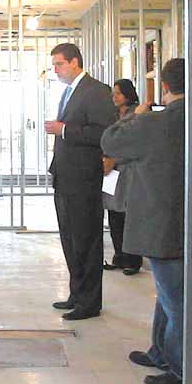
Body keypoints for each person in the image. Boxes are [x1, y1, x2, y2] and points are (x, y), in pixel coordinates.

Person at [101, 58, 186, 384]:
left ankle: (179, 369)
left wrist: (136, 115)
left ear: (164, 86)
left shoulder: (153, 123)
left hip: (159, 221)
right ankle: (160, 352)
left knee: (174, 299)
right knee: (168, 292)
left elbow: (109, 141)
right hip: (190, 219)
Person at [45, 43, 117, 321]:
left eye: (59, 64)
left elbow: (104, 133)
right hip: (65, 177)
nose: (55, 69)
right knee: (71, 239)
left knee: (86, 240)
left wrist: (64, 130)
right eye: (53, 65)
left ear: (75, 62)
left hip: (84, 178)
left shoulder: (96, 91)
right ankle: (76, 293)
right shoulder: (69, 91)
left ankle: (90, 302)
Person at [102, 79, 143, 276]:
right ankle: (118, 255)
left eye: (118, 93)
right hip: (112, 172)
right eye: (113, 94)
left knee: (129, 215)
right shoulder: (112, 114)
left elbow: (133, 143)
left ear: (127, 94)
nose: (114, 97)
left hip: (128, 171)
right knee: (114, 213)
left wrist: (113, 158)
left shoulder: (138, 114)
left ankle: (133, 260)